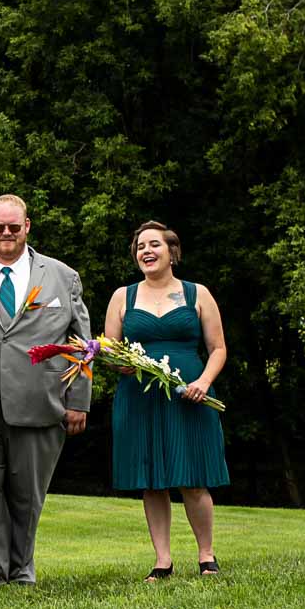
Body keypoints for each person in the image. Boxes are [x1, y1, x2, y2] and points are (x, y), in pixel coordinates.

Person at [0, 194, 91, 589]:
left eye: (14, 227)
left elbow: (82, 342)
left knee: (28, 495)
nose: (6, 234)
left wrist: (78, 400)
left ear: (27, 226)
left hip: (41, 403)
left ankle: (22, 568)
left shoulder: (62, 276)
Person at [102, 221, 228, 580]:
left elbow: (218, 348)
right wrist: (119, 363)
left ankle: (206, 556)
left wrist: (203, 382)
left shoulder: (197, 294)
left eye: (154, 244)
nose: (146, 251)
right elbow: (110, 351)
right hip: (140, 399)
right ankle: (162, 561)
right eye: (140, 246)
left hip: (190, 395)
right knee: (152, 479)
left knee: (193, 477)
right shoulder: (122, 297)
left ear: (172, 252)